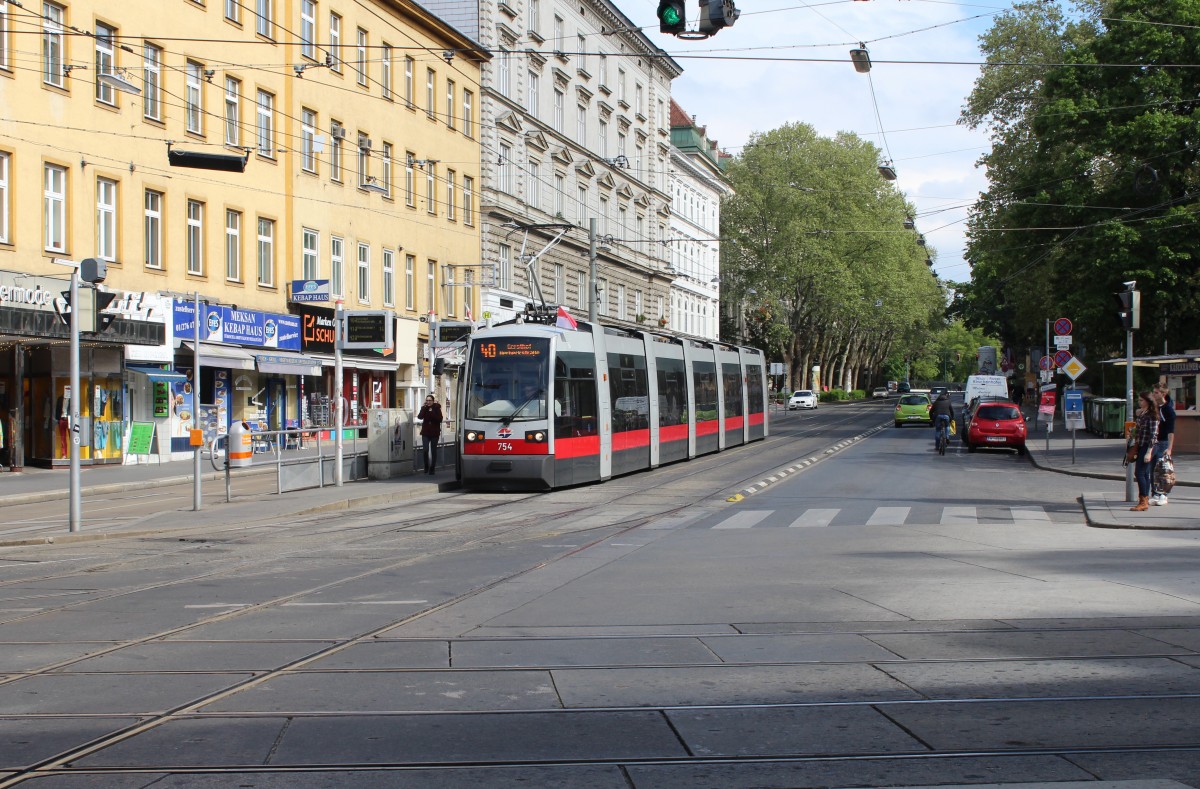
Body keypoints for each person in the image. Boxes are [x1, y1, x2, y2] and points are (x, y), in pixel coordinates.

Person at [1130, 390, 1159, 512]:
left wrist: (1149, 452)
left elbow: (1153, 435)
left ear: (1148, 401)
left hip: (1149, 446)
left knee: (1139, 473)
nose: (1139, 402)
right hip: (1141, 445)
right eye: (1139, 400)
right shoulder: (1143, 413)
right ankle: (1145, 500)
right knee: (1145, 473)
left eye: (1141, 400)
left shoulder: (1152, 416)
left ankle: (1143, 501)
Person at [1152, 382, 1176, 506]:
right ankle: (1155, 493)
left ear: (1163, 394)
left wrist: (1169, 448)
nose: (1154, 394)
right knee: (1153, 469)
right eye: (1154, 392)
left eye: (1156, 393)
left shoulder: (1168, 410)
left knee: (1163, 469)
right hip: (1154, 442)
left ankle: (1163, 495)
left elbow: (1171, 431)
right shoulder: (1155, 407)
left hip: (1163, 442)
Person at [417, 395, 443, 475]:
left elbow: (440, 419)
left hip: (434, 432)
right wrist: (424, 408)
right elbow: (420, 417)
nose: (428, 402)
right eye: (427, 400)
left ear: (433, 401)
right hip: (426, 432)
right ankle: (426, 466)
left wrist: (431, 412)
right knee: (425, 449)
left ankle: (432, 468)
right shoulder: (424, 408)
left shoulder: (437, 408)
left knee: (433, 450)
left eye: (430, 400)